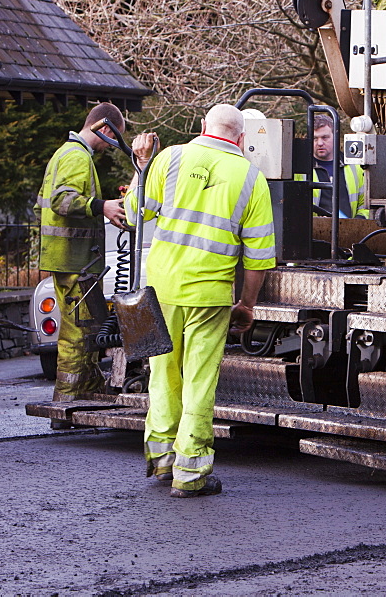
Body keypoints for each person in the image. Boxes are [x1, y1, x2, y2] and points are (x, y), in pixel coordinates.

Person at [127, 104, 276, 497]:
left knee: (163, 373)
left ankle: (161, 462)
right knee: (199, 380)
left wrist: (141, 167)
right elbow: (258, 255)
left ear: (202, 127)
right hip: (209, 294)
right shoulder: (250, 176)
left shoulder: (169, 157)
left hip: (161, 290)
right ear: (241, 139)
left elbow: (134, 213)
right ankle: (190, 474)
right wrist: (246, 304)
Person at [36, 103, 127, 426]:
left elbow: (44, 202)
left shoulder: (65, 153)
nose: (108, 148)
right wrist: (101, 206)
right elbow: (62, 200)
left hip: (68, 259)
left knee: (87, 330)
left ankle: (87, 394)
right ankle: (66, 406)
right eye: (111, 141)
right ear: (104, 129)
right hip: (75, 261)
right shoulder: (76, 156)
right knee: (77, 334)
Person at [310, 114, 368, 218]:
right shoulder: (301, 170)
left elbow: (366, 203)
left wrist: (359, 222)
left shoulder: (355, 166)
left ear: (335, 136)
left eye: (325, 137)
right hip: (313, 232)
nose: (319, 143)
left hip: (351, 231)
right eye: (314, 138)